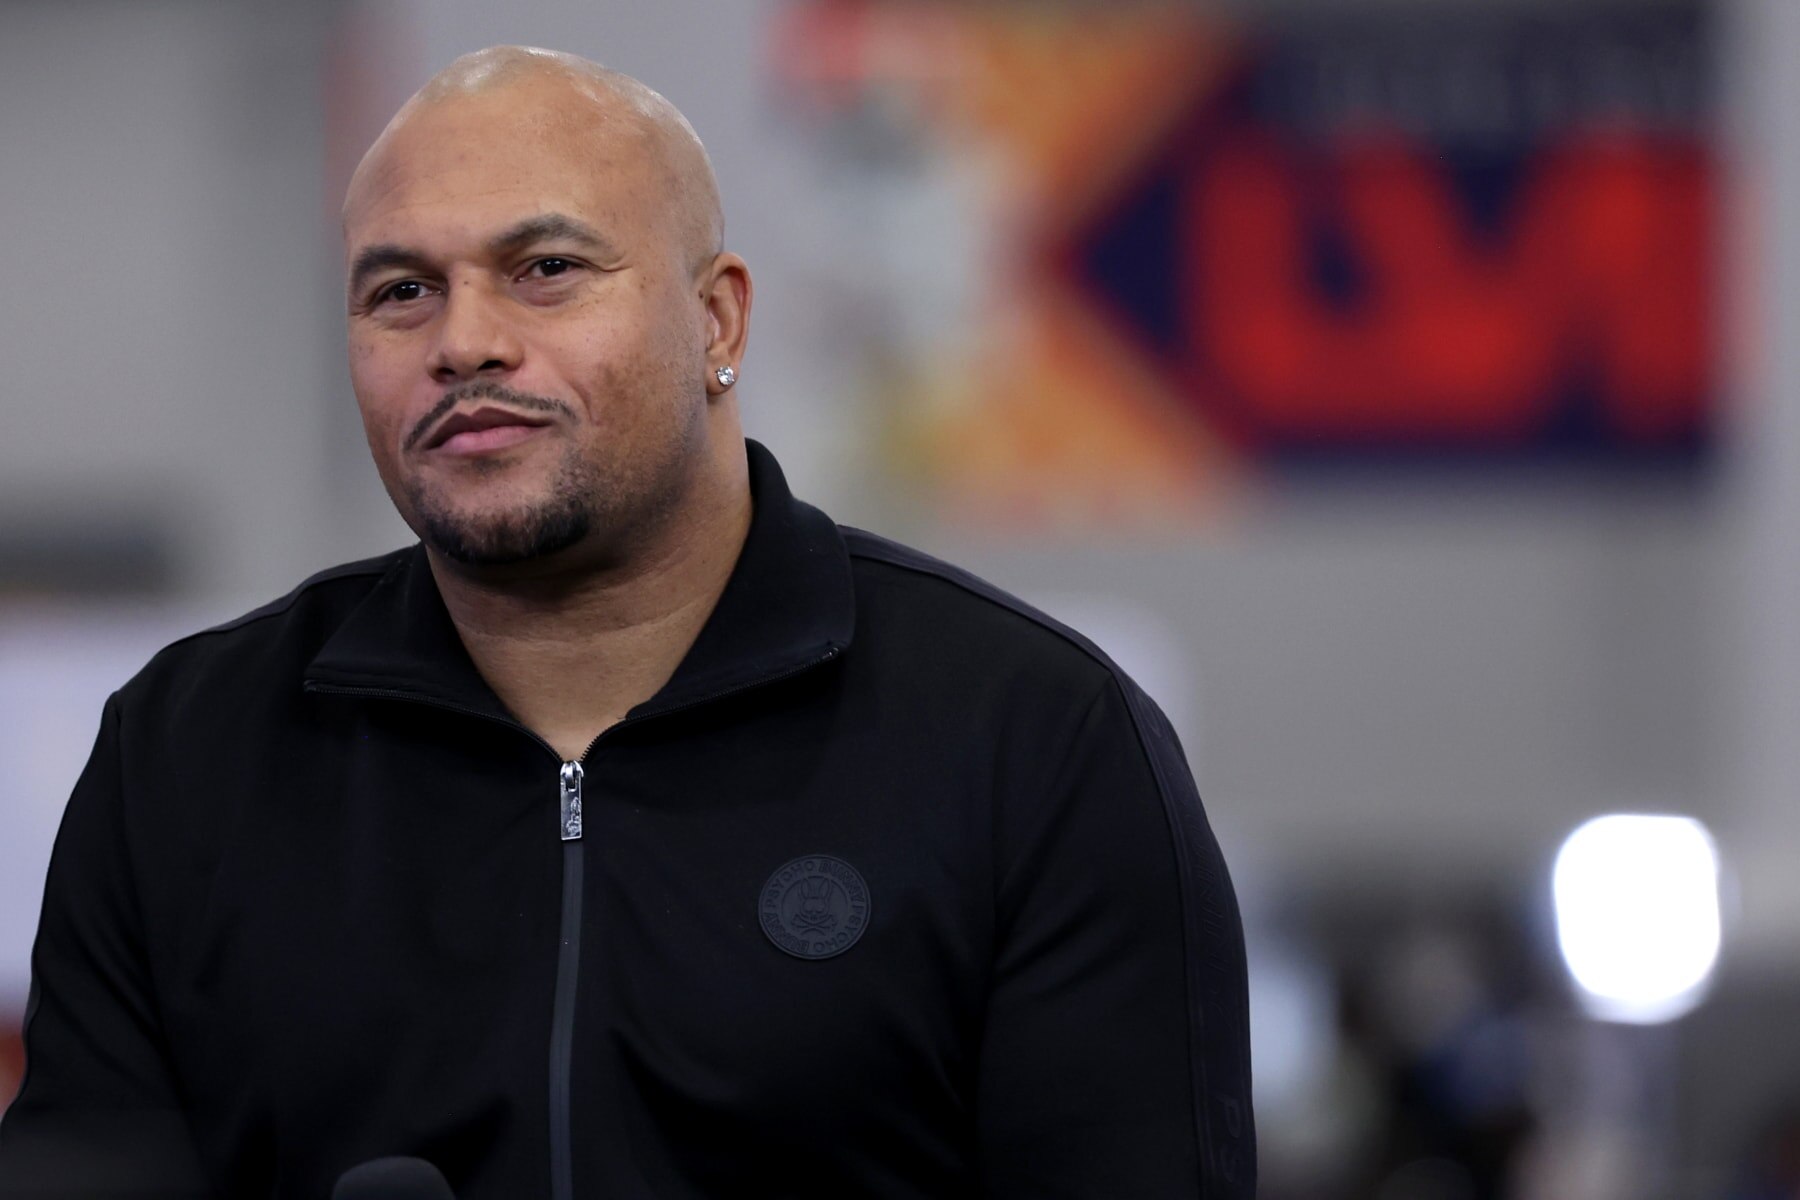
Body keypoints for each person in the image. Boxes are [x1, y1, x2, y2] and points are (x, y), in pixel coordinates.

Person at [0, 46, 1255, 1199]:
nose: (465, 343)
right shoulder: (187, 754)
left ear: (718, 321)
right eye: (400, 291)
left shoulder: (1036, 741)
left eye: (546, 270)